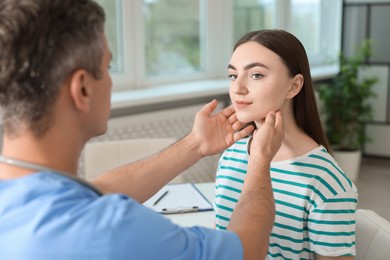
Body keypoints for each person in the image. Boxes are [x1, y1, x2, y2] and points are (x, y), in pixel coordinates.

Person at [0, 1, 285, 259]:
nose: (111, 82)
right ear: (83, 88)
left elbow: (97, 191)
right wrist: (260, 161)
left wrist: (196, 144)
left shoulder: (24, 197)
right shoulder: (108, 231)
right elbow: (247, 251)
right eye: (108, 67)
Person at [214, 29, 358, 259]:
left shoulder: (327, 181)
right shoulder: (232, 155)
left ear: (294, 86)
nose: (237, 88)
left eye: (256, 75)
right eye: (233, 75)